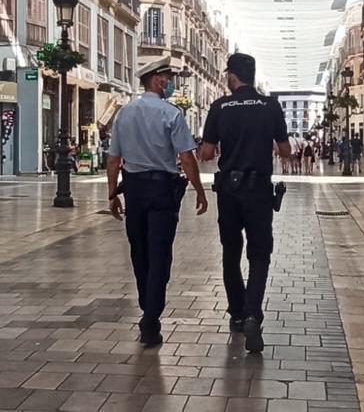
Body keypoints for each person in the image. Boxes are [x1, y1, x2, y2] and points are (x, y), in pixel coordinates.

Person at [107, 56, 207, 346]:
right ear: (156, 80)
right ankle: (151, 316)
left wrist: (113, 194)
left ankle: (146, 304)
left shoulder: (123, 114)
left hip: (135, 191)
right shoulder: (171, 114)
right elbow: (187, 158)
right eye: (167, 77)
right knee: (160, 253)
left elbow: (114, 159)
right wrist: (199, 190)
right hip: (162, 191)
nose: (170, 82)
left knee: (139, 251)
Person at [200, 53, 290, 353]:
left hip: (229, 190)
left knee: (231, 251)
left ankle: (237, 313)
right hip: (259, 191)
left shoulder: (219, 106)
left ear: (231, 76)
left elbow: (208, 154)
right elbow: (286, 149)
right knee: (260, 253)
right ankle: (253, 313)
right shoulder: (270, 106)